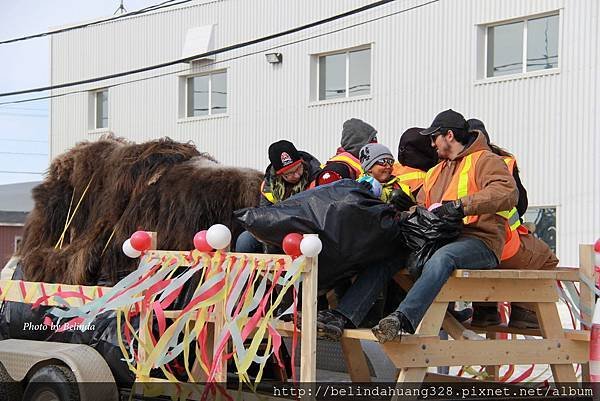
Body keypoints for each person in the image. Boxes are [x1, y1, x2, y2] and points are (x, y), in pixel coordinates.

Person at [370, 109, 519, 343]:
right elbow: (427, 207)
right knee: (391, 254)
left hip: (481, 241)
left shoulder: (486, 160)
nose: (431, 144)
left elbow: (507, 193)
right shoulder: (438, 170)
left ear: (449, 135)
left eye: (434, 137)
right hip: (447, 239)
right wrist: (407, 207)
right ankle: (346, 316)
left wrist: (460, 206)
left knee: (443, 258)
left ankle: (402, 319)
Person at [466, 119, 559, 329]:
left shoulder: (453, 166)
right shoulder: (502, 161)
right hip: (501, 243)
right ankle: (524, 311)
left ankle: (485, 311)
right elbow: (521, 203)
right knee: (546, 259)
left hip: (464, 246)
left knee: (486, 264)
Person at [235, 140, 321, 253]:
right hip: (278, 229)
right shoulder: (269, 187)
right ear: (278, 174)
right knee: (245, 240)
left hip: (308, 231)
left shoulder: (318, 177)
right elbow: (265, 216)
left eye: (298, 168)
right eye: (289, 173)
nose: (296, 175)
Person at [316, 118, 378, 183]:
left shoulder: (363, 163)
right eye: (372, 140)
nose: (376, 145)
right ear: (358, 143)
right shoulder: (338, 168)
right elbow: (328, 192)